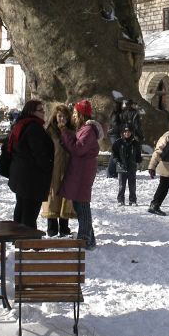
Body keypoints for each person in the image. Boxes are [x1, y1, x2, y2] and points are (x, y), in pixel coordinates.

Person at [59, 100, 102, 250]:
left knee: (82, 205)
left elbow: (78, 149)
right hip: (80, 170)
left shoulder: (88, 130)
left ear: (82, 115)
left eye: (76, 114)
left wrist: (65, 132)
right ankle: (90, 239)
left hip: (83, 172)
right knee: (80, 204)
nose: (74, 116)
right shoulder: (85, 129)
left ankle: (85, 239)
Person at [7, 100, 54, 230]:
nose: (44, 113)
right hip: (32, 178)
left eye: (43, 110)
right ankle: (28, 242)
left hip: (20, 175)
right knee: (29, 213)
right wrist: (47, 168)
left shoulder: (21, 124)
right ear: (31, 112)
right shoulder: (34, 127)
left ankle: (18, 237)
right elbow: (40, 153)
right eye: (40, 110)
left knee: (22, 208)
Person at [41, 104, 77, 237]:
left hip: (67, 169)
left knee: (64, 197)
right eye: (60, 116)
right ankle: (51, 228)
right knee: (52, 197)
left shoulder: (71, 132)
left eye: (64, 116)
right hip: (53, 169)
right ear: (55, 117)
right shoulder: (49, 132)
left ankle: (64, 228)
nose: (62, 119)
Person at [112, 123, 143, 206]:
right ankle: (120, 200)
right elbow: (114, 154)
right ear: (122, 133)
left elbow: (138, 154)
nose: (127, 133)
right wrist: (118, 162)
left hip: (132, 167)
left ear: (131, 132)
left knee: (132, 185)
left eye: (129, 132)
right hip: (121, 167)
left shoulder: (135, 143)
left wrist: (139, 160)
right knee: (122, 185)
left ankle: (132, 200)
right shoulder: (118, 143)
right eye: (125, 132)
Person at [106, 99, 124, 178]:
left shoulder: (117, 113)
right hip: (114, 135)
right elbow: (115, 126)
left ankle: (114, 171)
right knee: (115, 153)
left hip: (115, 134)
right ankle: (110, 172)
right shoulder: (115, 114)